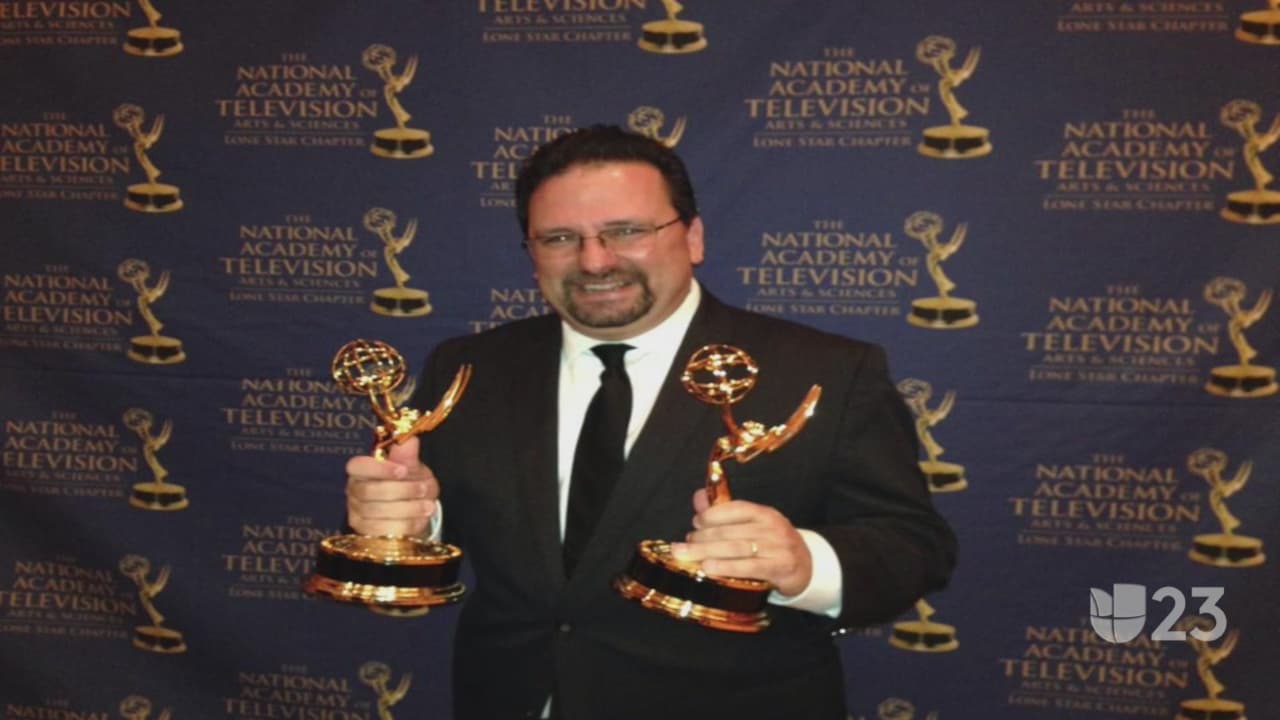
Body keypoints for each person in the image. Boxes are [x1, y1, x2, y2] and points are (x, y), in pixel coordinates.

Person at [344, 125, 956, 720]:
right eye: (559, 238)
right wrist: (408, 521)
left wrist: (802, 564)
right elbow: (439, 521)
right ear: (532, 254)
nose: (594, 260)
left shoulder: (825, 372)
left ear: (693, 237)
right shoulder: (469, 367)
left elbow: (913, 546)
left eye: (627, 231)